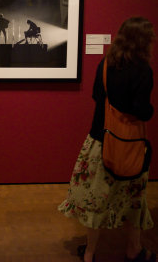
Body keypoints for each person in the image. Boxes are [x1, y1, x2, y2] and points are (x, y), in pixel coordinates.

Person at [58, 17, 156, 262]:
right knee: (134, 201)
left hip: (99, 142)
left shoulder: (105, 64)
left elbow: (96, 96)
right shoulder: (143, 70)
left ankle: (90, 252)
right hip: (128, 146)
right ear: (144, 42)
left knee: (96, 201)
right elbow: (141, 109)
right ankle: (134, 249)